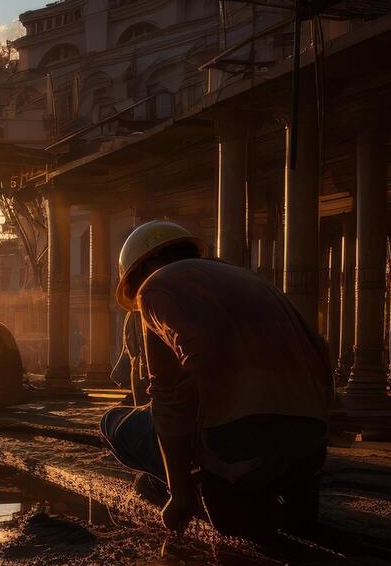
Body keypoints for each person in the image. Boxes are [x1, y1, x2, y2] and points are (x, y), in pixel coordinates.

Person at [101, 220, 332, 539]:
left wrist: (179, 495)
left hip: (237, 443)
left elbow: (171, 399)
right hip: (309, 445)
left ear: (144, 269)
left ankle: (198, 486)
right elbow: (320, 350)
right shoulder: (252, 280)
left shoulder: (156, 288)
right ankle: (289, 490)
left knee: (114, 424)